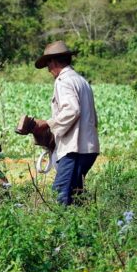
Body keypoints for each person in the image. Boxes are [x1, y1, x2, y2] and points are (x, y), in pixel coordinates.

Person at [31, 40, 100, 205]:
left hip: (74, 150)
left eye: (48, 64)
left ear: (53, 61)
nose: (48, 69)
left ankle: (62, 229)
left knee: (60, 196)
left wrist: (47, 124)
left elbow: (72, 110)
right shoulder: (81, 81)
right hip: (88, 148)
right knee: (76, 197)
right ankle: (86, 228)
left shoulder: (63, 81)